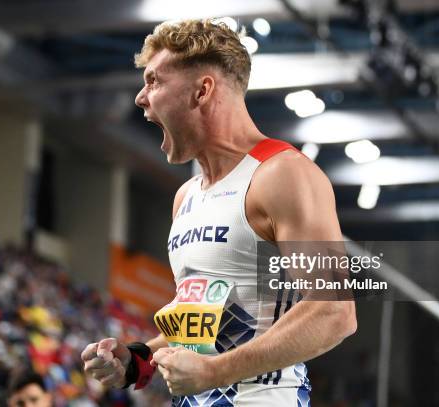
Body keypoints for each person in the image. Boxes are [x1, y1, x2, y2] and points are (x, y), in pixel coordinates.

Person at [82, 19, 357, 406]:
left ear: (202, 90)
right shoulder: (187, 197)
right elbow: (205, 327)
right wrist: (137, 360)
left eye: (154, 81)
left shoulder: (282, 173)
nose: (141, 98)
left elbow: (334, 313)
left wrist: (215, 372)